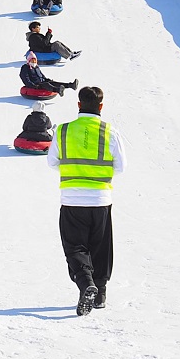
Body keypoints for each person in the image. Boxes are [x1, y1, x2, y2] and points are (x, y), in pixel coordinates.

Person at [47, 85, 127, 315]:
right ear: (101, 106)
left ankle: (85, 284)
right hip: (101, 199)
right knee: (101, 247)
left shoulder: (62, 131)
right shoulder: (110, 132)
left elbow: (52, 162)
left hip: (71, 199)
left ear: (79, 105)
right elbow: (121, 167)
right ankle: (100, 293)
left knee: (75, 247)